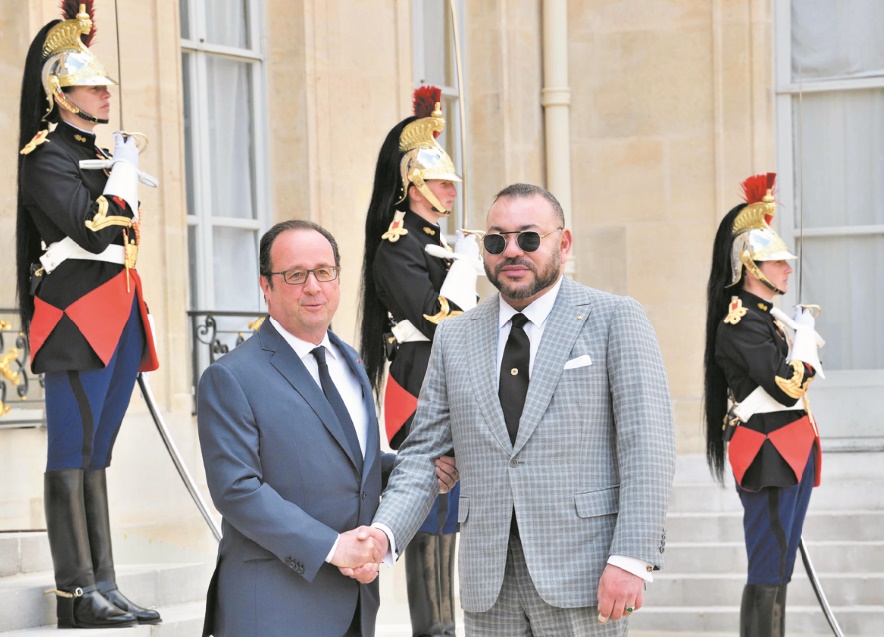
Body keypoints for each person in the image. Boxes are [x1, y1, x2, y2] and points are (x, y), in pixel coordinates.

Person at [358, 183, 676, 636]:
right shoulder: (454, 336)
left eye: (528, 238)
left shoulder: (614, 318)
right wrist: (384, 535)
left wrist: (631, 557)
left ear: (562, 244)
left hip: (584, 576)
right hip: (489, 587)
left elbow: (649, 446)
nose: (512, 251)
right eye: (496, 240)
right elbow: (423, 455)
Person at [197, 220, 457, 637]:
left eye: (324, 271)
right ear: (266, 285)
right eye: (296, 275)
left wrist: (419, 471)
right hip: (274, 609)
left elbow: (352, 465)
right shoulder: (230, 377)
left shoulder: (351, 362)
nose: (313, 287)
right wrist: (335, 549)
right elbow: (237, 491)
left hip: (355, 605)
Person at [15, 4, 160, 629]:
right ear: (60, 92)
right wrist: (124, 171)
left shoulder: (93, 152)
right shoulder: (46, 155)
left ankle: (105, 583)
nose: (104, 95)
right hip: (75, 316)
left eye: (104, 87)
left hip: (119, 310)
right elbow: (94, 230)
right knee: (70, 452)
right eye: (92, 87)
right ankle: (75, 594)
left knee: (97, 453)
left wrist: (116, 167)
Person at [358, 85, 479, 637]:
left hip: (449, 380)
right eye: (440, 181)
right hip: (415, 381)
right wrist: (463, 272)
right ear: (413, 183)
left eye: (452, 182)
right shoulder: (397, 243)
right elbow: (435, 317)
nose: (450, 190)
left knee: (450, 517)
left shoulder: (441, 243)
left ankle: (446, 625)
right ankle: (431, 628)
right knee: (425, 514)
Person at [703, 173, 824, 637]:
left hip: (788, 452)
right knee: (767, 568)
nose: (787, 270)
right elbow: (785, 388)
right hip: (768, 455)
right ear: (752, 268)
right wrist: (806, 348)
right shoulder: (739, 325)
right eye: (778, 263)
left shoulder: (766, 321)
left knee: (780, 568)